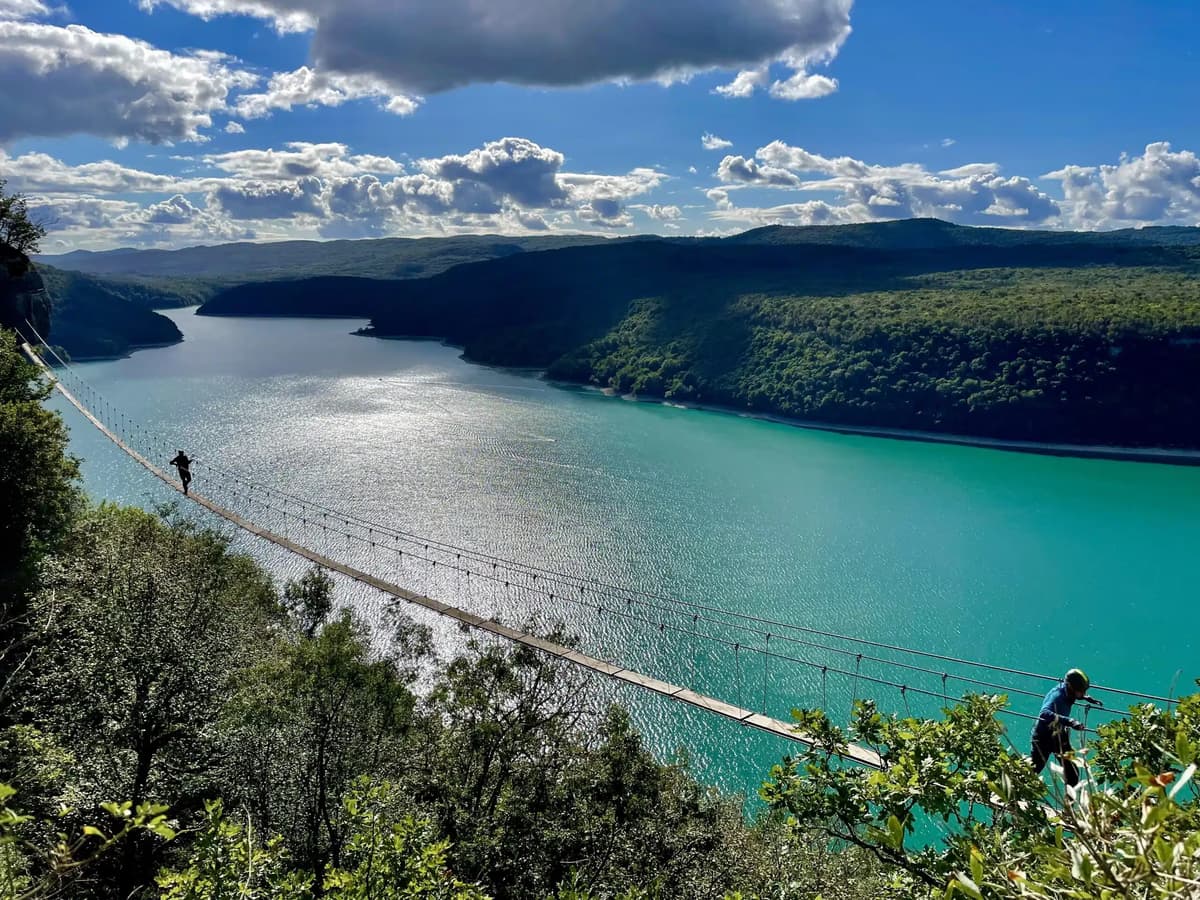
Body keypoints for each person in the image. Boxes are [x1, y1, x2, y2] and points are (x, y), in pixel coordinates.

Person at [1030, 668, 1100, 788]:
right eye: (1081, 691)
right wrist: (1070, 721)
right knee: (1032, 771)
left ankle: (1069, 800)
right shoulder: (1057, 696)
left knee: (1073, 774)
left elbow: (1074, 695)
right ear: (1071, 687)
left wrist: (1085, 698)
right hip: (1043, 738)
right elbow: (1044, 713)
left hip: (1059, 735)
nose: (1083, 693)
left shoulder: (1068, 691)